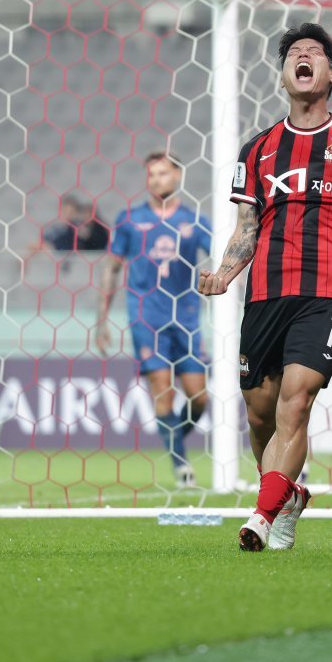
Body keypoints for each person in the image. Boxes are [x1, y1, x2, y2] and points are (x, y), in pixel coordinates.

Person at [198, 23, 332, 551]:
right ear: (284, 74)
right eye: (293, 53)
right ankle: (289, 495)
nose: (302, 57)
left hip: (324, 291)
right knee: (260, 414)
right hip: (264, 292)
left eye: (314, 52)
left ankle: (261, 518)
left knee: (296, 402)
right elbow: (246, 229)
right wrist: (224, 273)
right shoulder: (257, 149)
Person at [96, 152, 213, 487]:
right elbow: (112, 268)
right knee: (163, 391)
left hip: (187, 316)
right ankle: (181, 467)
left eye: (163, 173)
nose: (156, 180)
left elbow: (219, 256)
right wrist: (101, 321)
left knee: (199, 396)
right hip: (146, 317)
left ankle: (173, 437)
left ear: (177, 176)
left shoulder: (195, 221)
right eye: (151, 175)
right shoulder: (130, 220)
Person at [37, 192, 110, 252]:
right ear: (60, 210)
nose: (68, 215)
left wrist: (52, 247)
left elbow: (93, 240)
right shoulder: (53, 229)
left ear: (76, 213)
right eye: (66, 211)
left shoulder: (78, 228)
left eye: (71, 212)